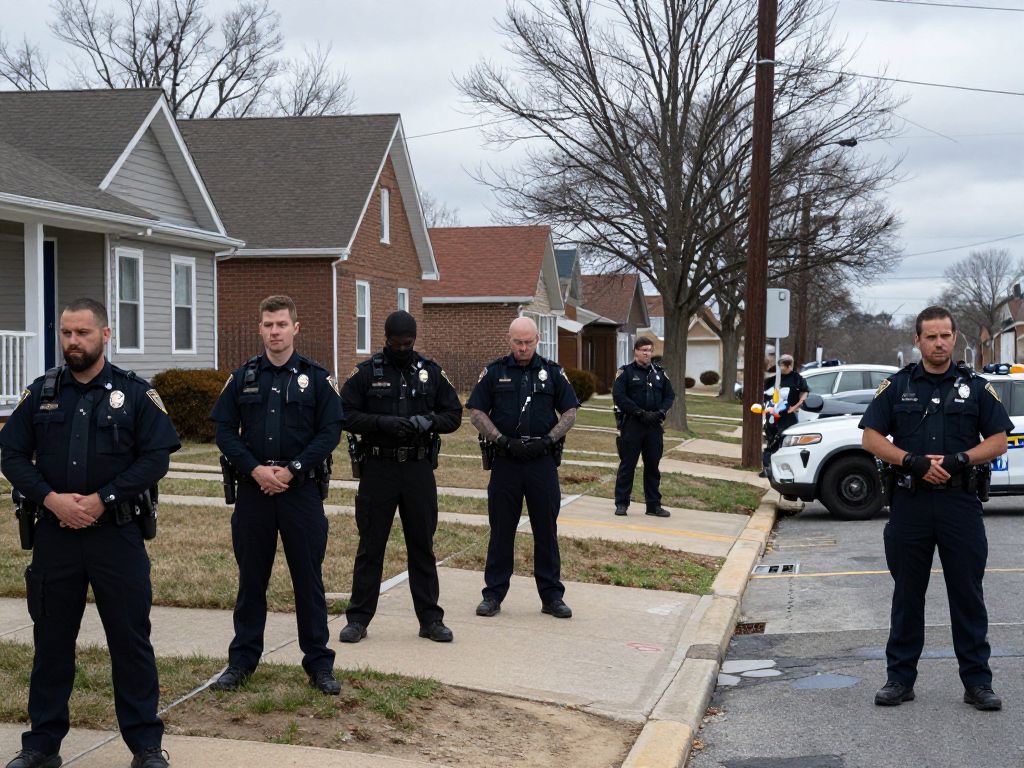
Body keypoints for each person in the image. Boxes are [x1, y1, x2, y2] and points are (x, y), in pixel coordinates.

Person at [0, 298, 179, 768]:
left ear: (105, 334)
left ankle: (145, 745)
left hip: (115, 536)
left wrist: (104, 499)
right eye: (66, 333)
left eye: (82, 332)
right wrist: (51, 499)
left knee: (130, 641)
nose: (73, 342)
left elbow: (156, 457)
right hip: (55, 536)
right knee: (52, 643)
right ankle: (41, 745)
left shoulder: (134, 394)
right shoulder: (40, 393)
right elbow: (12, 456)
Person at [859, 305, 1011, 711]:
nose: (939, 342)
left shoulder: (976, 387)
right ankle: (899, 679)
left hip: (960, 504)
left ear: (954, 337)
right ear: (918, 341)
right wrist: (911, 461)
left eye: (946, 335)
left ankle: (978, 683)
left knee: (968, 595)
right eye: (931, 336)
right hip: (910, 504)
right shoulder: (897, 386)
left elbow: (998, 440)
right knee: (908, 595)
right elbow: (871, 438)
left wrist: (961, 459)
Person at [209, 296, 342, 696]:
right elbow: (224, 431)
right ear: (260, 328)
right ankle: (241, 662)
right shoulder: (243, 377)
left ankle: (319, 665)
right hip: (254, 493)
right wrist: (254, 469)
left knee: (308, 581)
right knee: (252, 581)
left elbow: (330, 431)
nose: (275, 331)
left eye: (282, 324)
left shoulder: (317, 378)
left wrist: (293, 469)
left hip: (300, 493)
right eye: (268, 325)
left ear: (296, 328)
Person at [336, 310, 463, 644]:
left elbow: (454, 415)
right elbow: (343, 414)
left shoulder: (430, 372)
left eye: (408, 343)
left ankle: (430, 619)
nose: (403, 348)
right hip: (379, 468)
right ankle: (358, 619)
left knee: (422, 545)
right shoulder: (367, 373)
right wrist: (380, 423)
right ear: (386, 338)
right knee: (371, 546)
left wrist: (428, 422)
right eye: (397, 343)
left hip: (418, 469)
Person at [467, 316, 580, 619]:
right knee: (502, 529)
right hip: (506, 461)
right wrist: (501, 440)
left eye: (528, 342)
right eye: (518, 342)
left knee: (546, 529)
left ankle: (551, 596)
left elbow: (570, 410)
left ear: (537, 340)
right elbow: (476, 411)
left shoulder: (552, 372)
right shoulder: (494, 372)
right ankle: (493, 595)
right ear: (510, 340)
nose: (523, 347)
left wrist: (549, 439)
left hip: (541, 462)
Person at [611, 337, 676, 517]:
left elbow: (669, 396)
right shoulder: (625, 372)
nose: (647, 353)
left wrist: (661, 412)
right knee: (628, 465)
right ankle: (622, 503)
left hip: (654, 425)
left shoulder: (660, 373)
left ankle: (653, 506)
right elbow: (619, 396)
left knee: (653, 467)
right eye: (643, 350)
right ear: (636, 351)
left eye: (649, 350)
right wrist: (639, 412)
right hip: (633, 424)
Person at [761, 354, 809, 476]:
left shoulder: (797, 379)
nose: (782, 368)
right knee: (771, 442)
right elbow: (764, 395)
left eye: (784, 365)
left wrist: (796, 406)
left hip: (789, 417)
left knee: (787, 443)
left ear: (790, 365)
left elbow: (804, 393)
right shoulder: (773, 380)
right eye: (780, 365)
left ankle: (787, 470)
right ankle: (767, 468)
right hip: (772, 416)